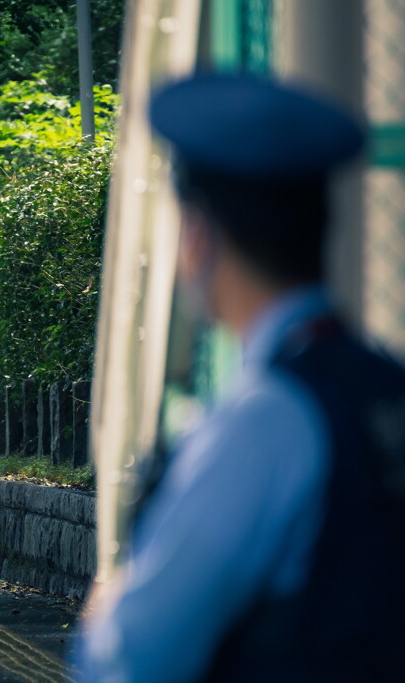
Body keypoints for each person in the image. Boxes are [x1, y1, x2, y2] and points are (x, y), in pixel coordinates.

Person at [78, 74, 405, 681]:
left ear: (198, 236)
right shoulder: (386, 386)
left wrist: (109, 609)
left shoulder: (266, 419)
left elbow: (132, 659)